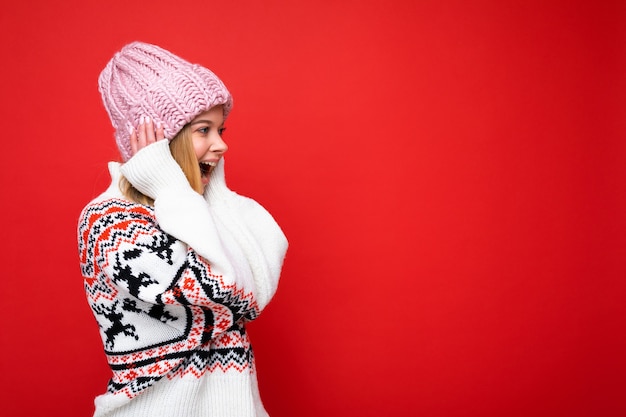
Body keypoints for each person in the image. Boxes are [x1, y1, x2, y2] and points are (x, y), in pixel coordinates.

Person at [77, 41, 288, 417]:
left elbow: (261, 274)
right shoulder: (110, 222)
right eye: (203, 130)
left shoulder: (196, 209)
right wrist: (170, 184)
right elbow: (230, 291)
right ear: (158, 140)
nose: (221, 145)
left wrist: (207, 190)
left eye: (221, 129)